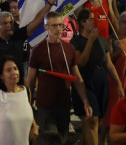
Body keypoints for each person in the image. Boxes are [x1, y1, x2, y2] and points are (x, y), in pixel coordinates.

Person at [27, 11, 92, 139]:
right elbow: (30, 81)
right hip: (45, 104)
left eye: (61, 25)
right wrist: (28, 106)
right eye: (54, 25)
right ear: (46, 27)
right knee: (50, 138)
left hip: (64, 103)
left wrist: (85, 101)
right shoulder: (37, 51)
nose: (58, 29)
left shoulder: (69, 49)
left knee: (62, 139)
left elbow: (77, 78)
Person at [0, 0, 58, 90]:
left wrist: (49, 4)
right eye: (5, 23)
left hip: (17, 89)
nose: (9, 25)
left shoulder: (19, 36)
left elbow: (37, 20)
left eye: (10, 22)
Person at [70, 8, 124, 145]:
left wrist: (118, 84)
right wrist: (90, 42)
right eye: (90, 19)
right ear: (82, 23)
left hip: (101, 82)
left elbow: (109, 64)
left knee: (96, 121)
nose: (94, 22)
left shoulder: (102, 40)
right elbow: (81, 62)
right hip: (85, 82)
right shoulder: (76, 41)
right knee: (91, 120)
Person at [0, 55, 38, 143]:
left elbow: (27, 112)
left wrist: (35, 127)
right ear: (1, 76)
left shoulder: (26, 91)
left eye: (15, 68)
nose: (14, 72)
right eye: (8, 70)